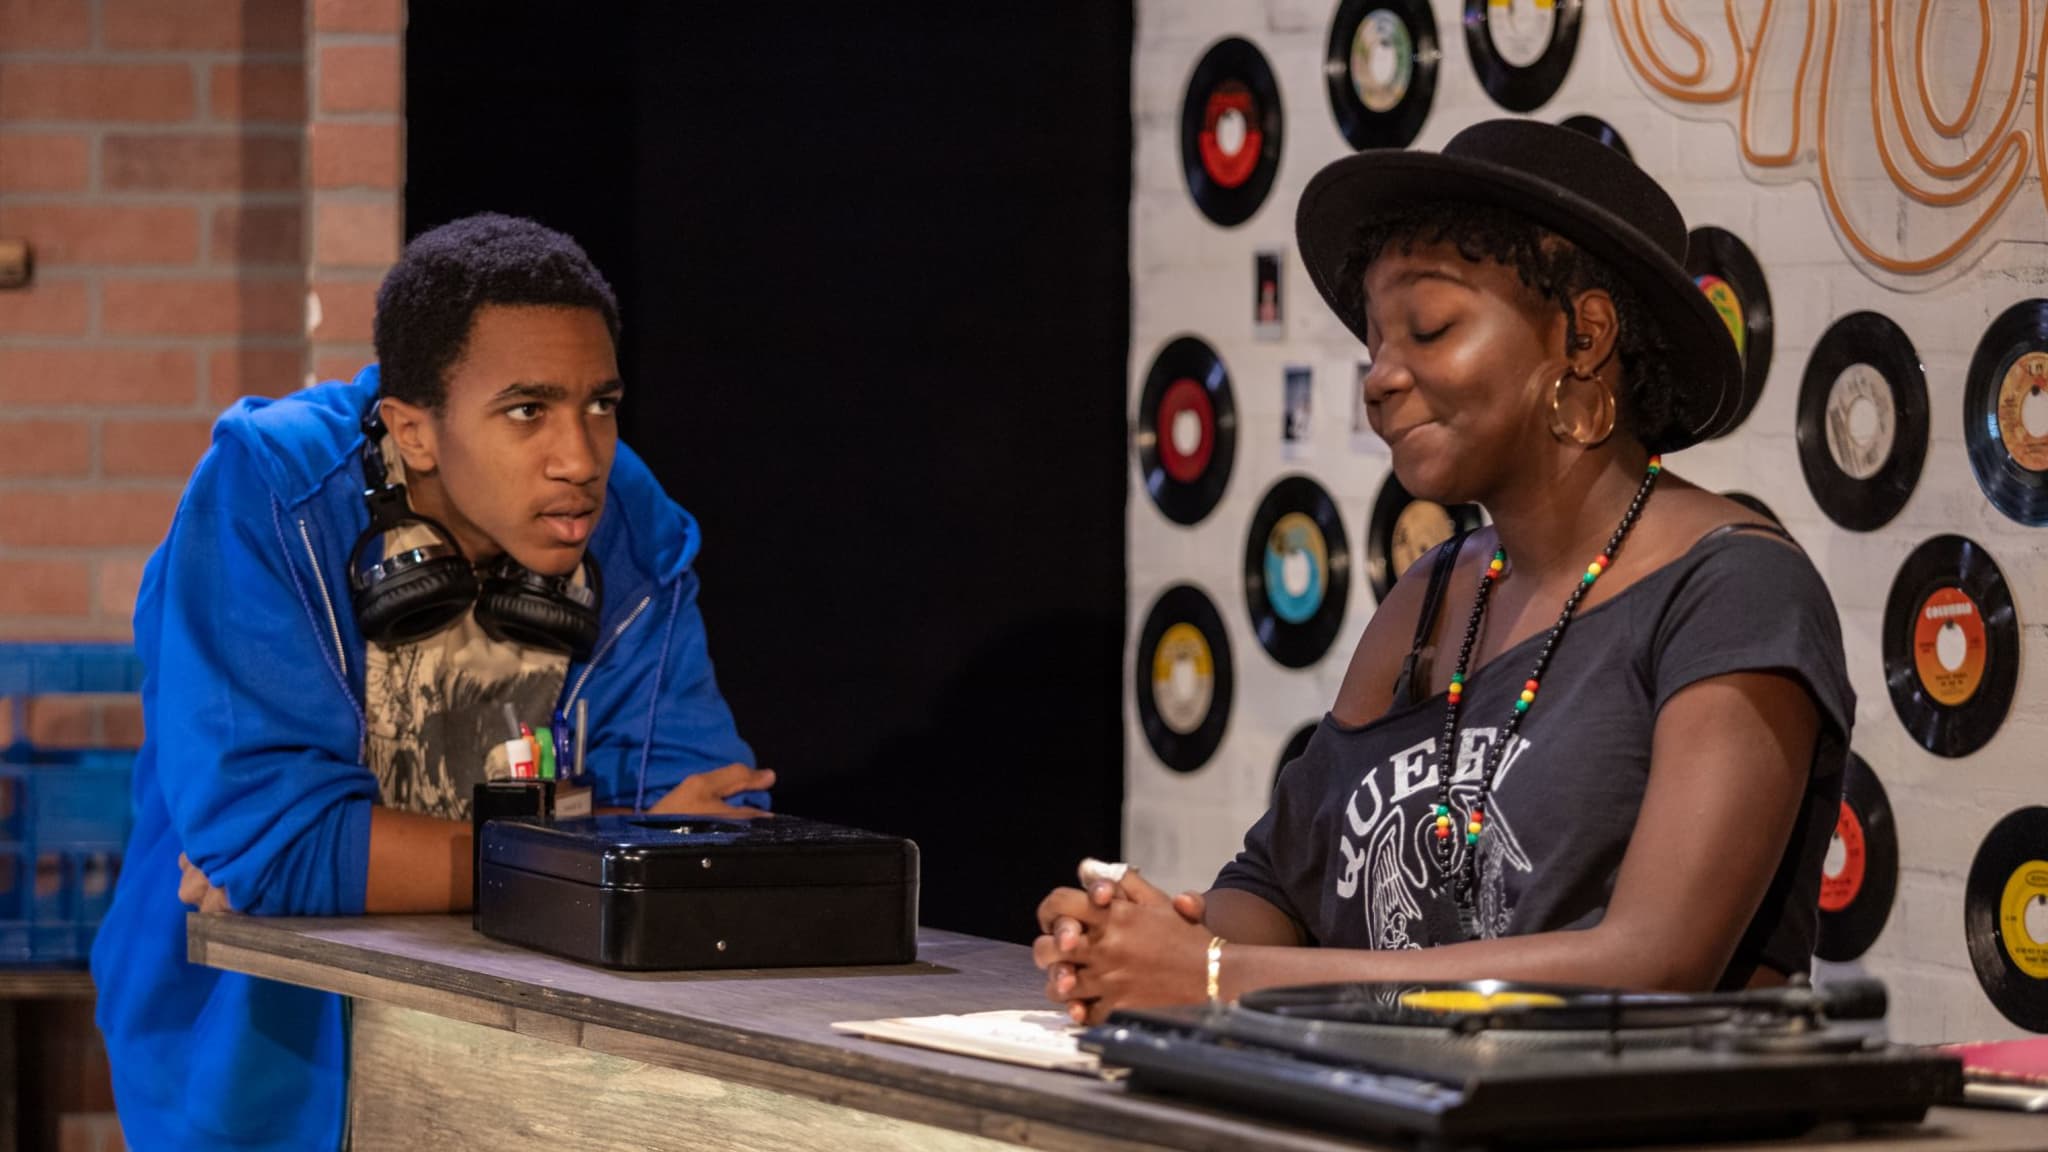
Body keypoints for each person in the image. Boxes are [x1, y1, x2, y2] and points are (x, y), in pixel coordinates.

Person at [1037, 120, 1853, 1021]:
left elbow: (1652, 966)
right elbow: (1280, 882)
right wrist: (1147, 939)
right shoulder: (1431, 597)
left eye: (1428, 329)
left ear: (1582, 337)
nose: (1381, 379)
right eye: (1375, 345)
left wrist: (1215, 978)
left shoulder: (1733, 592)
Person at [91, 214, 774, 1151]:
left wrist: (354, 860)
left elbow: (702, 848)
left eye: (602, 403)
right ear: (414, 430)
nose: (581, 457)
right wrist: (601, 846)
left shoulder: (631, 525)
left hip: (526, 1075)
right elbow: (275, 849)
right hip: (268, 1079)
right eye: (528, 410)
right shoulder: (270, 490)